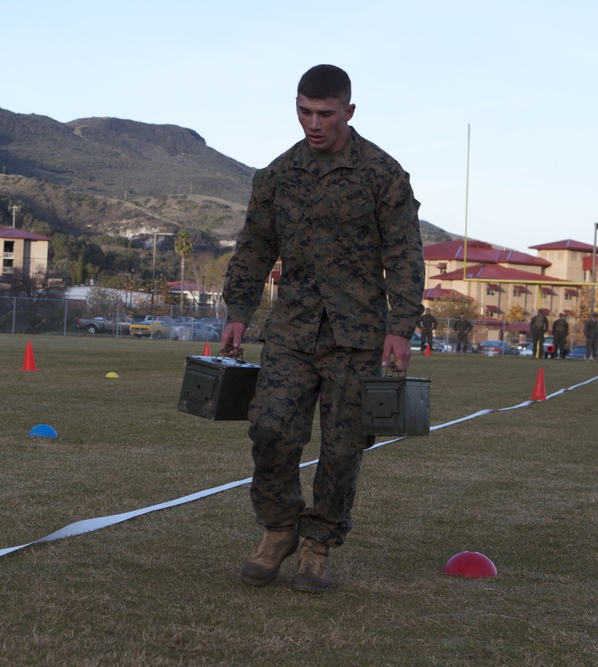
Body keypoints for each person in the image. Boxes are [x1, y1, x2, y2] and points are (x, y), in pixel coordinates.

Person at [219, 65, 425, 594]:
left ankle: (318, 546)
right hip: (290, 332)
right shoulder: (276, 176)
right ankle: (279, 529)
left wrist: (401, 326)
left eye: (325, 114)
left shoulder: (383, 175)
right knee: (269, 429)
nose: (314, 123)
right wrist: (238, 311)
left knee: (342, 448)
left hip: (357, 336)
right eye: (304, 111)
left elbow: (405, 256)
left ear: (348, 113)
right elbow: (254, 248)